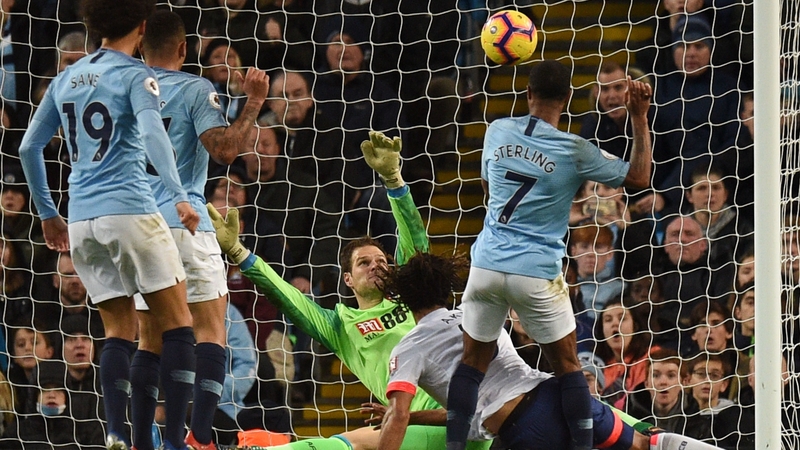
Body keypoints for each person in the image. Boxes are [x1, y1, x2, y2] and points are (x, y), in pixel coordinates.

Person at [208, 131, 490, 450]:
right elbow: (288, 297)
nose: (375, 265)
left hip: (464, 417)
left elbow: (416, 245)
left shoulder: (415, 298)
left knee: (356, 443)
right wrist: (241, 255)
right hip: (414, 424)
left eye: (382, 260)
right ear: (348, 280)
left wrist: (394, 181)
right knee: (361, 441)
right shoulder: (341, 326)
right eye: (364, 263)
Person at [16, 1, 201, 449]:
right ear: (142, 28)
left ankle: (117, 432)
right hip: (131, 211)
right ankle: (174, 441)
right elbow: (155, 134)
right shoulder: (136, 75)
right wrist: (179, 195)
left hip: (81, 221)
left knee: (119, 330)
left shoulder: (64, 79)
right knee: (178, 325)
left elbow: (27, 148)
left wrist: (46, 212)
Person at [447, 59, 652, 450]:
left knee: (472, 363)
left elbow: (492, 190)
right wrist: (639, 118)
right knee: (568, 367)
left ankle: (454, 448)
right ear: (571, 99)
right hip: (536, 270)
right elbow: (639, 177)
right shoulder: (575, 150)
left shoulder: (496, 131)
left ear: (527, 94)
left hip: (487, 264)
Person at [377, 251, 721, 450]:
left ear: (405, 300)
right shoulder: (476, 313)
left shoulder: (409, 347)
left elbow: (401, 415)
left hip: (528, 428)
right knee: (644, 445)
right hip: (559, 395)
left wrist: (395, 418)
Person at [137, 10, 270, 450]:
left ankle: (142, 439)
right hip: (184, 219)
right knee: (211, 329)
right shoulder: (196, 88)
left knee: (149, 339)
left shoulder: (124, 90)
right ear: (183, 49)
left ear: (139, 47)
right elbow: (227, 151)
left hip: (137, 224)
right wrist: (253, 100)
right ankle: (199, 437)